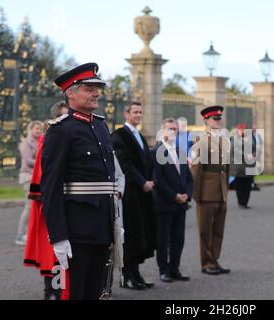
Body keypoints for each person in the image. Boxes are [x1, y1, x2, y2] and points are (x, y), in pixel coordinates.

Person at [41, 63, 116, 300]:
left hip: (103, 225)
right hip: (77, 229)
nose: (96, 93)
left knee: (97, 291)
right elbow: (51, 188)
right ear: (71, 93)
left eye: (97, 88)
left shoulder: (101, 126)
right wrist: (58, 235)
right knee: (76, 293)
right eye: (89, 88)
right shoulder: (61, 130)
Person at [23, 101, 68, 300]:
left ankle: (58, 291)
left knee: (63, 253)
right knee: (53, 252)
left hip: (68, 203)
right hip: (51, 205)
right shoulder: (49, 139)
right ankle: (52, 291)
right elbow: (42, 176)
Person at [111, 101, 156, 290]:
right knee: (130, 235)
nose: (138, 115)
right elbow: (125, 164)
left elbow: (147, 161)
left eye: (140, 112)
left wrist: (151, 180)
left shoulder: (139, 135)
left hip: (143, 193)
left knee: (141, 233)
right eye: (135, 112)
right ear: (126, 114)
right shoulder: (120, 136)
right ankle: (126, 276)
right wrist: (142, 182)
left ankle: (136, 273)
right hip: (130, 192)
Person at [152, 118, 194, 282]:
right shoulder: (156, 151)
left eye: (175, 129)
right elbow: (158, 179)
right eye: (169, 129)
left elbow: (189, 178)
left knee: (178, 238)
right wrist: (173, 196)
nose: (172, 132)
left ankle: (175, 268)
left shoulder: (181, 152)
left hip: (181, 204)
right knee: (163, 240)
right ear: (162, 131)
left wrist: (187, 195)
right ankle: (164, 270)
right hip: (164, 203)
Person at [191, 105, 231, 275]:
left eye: (219, 118)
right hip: (206, 192)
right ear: (206, 120)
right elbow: (196, 170)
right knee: (205, 230)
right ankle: (206, 263)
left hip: (220, 192)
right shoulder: (201, 141)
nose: (218, 121)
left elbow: (226, 169)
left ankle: (214, 260)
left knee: (218, 230)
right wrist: (196, 194)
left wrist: (225, 190)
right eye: (215, 119)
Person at [16, 120, 43, 245]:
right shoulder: (26, 143)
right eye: (36, 128)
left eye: (39, 128)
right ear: (30, 129)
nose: (38, 131)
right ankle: (20, 235)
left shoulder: (41, 141)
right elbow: (28, 160)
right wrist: (42, 161)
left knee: (34, 207)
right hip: (28, 177)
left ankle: (31, 234)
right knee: (29, 206)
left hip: (37, 177)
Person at [230, 123, 256, 209]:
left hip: (249, 166)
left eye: (244, 130)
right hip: (239, 167)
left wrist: (253, 155)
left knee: (248, 185)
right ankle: (241, 202)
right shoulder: (235, 139)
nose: (243, 131)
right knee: (240, 185)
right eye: (241, 130)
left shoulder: (251, 138)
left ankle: (245, 202)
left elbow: (256, 149)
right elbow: (234, 151)